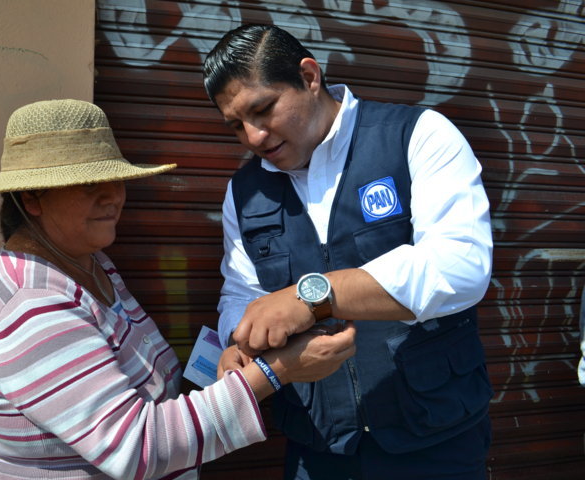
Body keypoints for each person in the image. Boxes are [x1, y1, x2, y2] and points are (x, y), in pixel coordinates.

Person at [0, 99, 357, 479]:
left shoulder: (90, 264)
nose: (113, 196)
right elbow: (136, 448)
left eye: (116, 178)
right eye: (89, 184)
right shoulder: (31, 304)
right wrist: (276, 371)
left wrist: (232, 362)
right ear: (32, 199)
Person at [203, 24, 494, 480]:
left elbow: (460, 267)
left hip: (434, 437)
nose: (254, 136)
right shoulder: (245, 192)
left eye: (263, 109)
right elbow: (241, 291)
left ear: (309, 76)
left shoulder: (417, 135)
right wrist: (238, 344)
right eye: (236, 125)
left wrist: (312, 296)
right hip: (317, 445)